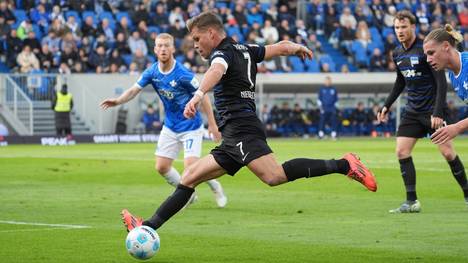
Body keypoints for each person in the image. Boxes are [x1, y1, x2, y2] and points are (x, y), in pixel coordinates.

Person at [120, 11, 377, 233]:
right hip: (233, 133)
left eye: (197, 39)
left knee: (274, 176)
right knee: (188, 177)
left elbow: (216, 71)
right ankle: (146, 227)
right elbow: (279, 47)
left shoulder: (221, 55)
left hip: (241, 128)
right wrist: (296, 47)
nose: (196, 45)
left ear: (211, 33)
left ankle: (345, 164)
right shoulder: (245, 49)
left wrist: (198, 95)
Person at [100, 33, 227, 208]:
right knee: (161, 167)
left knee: (192, 170)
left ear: (173, 48)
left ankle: (214, 186)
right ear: (154, 49)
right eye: (159, 46)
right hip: (170, 126)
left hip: (191, 126)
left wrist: (212, 125)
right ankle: (190, 196)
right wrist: (117, 101)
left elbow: (203, 97)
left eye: (166, 45)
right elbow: (134, 90)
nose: (163, 49)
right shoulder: (152, 72)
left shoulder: (183, 74)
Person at [377, 11, 468, 213]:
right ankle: (411, 201)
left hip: (432, 110)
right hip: (412, 110)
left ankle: (467, 192)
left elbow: (440, 82)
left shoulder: (427, 49)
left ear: (413, 27)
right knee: (401, 151)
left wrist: (439, 113)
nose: (400, 31)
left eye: (403, 27)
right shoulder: (397, 53)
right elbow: (400, 81)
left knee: (447, 152)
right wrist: (387, 104)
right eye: (397, 28)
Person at [423, 25, 468, 144]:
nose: (428, 59)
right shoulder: (452, 75)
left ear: (446, 46)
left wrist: (457, 127)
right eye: (426, 55)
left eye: (431, 53)